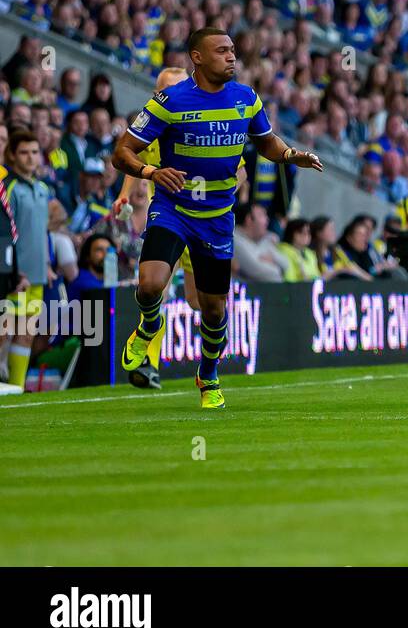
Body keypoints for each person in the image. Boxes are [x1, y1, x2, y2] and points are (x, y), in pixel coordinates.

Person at [112, 29, 323, 411]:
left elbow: (266, 142)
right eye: (222, 50)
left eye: (232, 50)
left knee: (213, 309)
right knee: (150, 284)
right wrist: (149, 173)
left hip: (216, 218)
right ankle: (148, 324)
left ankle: (207, 376)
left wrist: (292, 154)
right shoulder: (169, 101)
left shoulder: (246, 98)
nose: (231, 57)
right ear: (197, 57)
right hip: (173, 209)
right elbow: (122, 151)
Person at [111, 66, 196, 388]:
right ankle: (148, 363)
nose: (169, 97)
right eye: (163, 91)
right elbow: (130, 158)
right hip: (166, 217)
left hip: (202, 219)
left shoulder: (204, 123)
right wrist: (123, 196)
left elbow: (239, 168)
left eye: (175, 89)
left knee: (196, 301)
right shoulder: (151, 125)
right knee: (154, 287)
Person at [2, 130, 52, 394]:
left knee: (26, 332)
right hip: (14, 274)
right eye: (24, 152)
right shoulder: (9, 188)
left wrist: (48, 264)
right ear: (12, 155)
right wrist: (12, 270)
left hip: (37, 274)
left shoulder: (42, 189)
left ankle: (16, 386)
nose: (31, 158)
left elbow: (42, 231)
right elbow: (6, 232)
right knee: (5, 329)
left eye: (34, 152)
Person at [233, 204, 290, 282]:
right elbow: (265, 273)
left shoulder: (264, 239)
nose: (267, 219)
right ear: (249, 219)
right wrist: (277, 267)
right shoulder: (235, 241)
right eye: (262, 215)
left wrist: (272, 260)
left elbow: (286, 265)